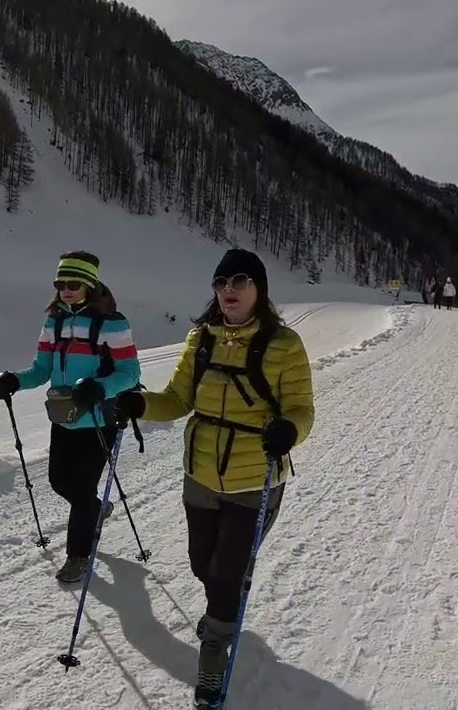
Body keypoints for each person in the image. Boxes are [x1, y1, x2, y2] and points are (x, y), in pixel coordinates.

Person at [113, 248, 315, 707]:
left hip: (254, 480)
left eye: (239, 280)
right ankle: (225, 602)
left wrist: (288, 430)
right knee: (202, 564)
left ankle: (213, 660)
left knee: (224, 574)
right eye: (221, 281)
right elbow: (178, 400)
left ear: (259, 289)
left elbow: (302, 410)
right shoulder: (200, 339)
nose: (228, 289)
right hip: (200, 472)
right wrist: (139, 404)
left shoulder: (284, 345)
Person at [0, 251, 142, 584]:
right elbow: (41, 369)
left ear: (88, 284)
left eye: (74, 283)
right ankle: (97, 508)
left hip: (100, 420)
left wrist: (100, 387)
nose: (66, 289)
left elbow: (130, 373)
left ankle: (78, 556)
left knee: (83, 486)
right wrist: (15, 380)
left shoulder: (113, 323)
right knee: (61, 482)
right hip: (64, 418)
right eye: (61, 283)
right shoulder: (53, 321)